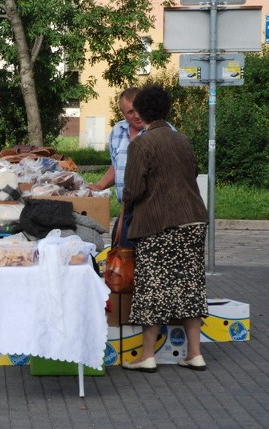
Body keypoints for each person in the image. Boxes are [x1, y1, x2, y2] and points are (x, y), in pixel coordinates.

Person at [120, 84, 209, 373]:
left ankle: (147, 356)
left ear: (141, 112)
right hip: (194, 220)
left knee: (152, 288)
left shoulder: (141, 144)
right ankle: (195, 353)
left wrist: (125, 214)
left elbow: (132, 190)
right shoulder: (182, 140)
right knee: (190, 285)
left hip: (158, 223)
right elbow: (191, 174)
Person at [88, 87, 144, 247]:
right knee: (120, 251)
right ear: (123, 113)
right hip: (126, 207)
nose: (137, 115)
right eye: (131, 112)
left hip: (149, 209)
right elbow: (117, 166)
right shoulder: (118, 130)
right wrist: (100, 185)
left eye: (139, 109)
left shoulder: (160, 130)